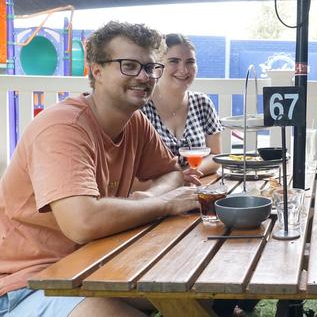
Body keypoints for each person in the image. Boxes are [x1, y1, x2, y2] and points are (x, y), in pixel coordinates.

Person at [0, 21, 198, 317]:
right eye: (129, 66)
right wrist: (163, 204)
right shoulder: (63, 128)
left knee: (192, 287)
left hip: (96, 265)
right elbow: (83, 223)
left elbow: (172, 173)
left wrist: (148, 198)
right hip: (25, 285)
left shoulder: (135, 122)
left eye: (149, 67)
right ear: (96, 70)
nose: (143, 77)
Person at [141, 33, 223, 185]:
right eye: (174, 61)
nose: (184, 70)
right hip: (154, 193)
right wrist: (176, 178)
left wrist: (187, 174)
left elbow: (215, 156)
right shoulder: (141, 108)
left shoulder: (203, 103)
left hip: (198, 187)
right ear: (157, 65)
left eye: (190, 62)